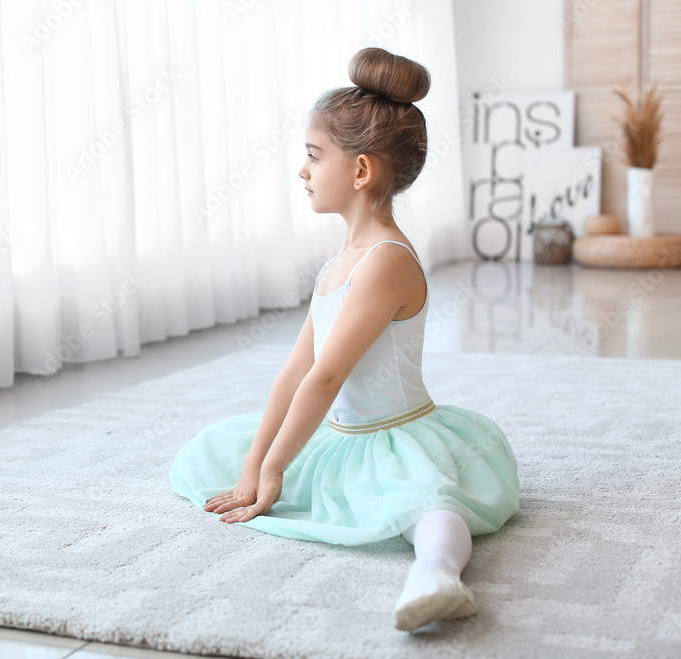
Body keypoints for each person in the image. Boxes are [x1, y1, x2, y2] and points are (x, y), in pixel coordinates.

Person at [169, 46, 519, 632]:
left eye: (313, 156)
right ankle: (420, 555)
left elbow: (327, 377)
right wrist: (257, 460)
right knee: (216, 450)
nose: (302, 170)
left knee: (427, 503)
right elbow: (295, 372)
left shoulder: (385, 262)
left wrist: (278, 466)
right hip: (341, 434)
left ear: (360, 171)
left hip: (397, 434)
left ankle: (436, 573)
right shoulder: (340, 262)